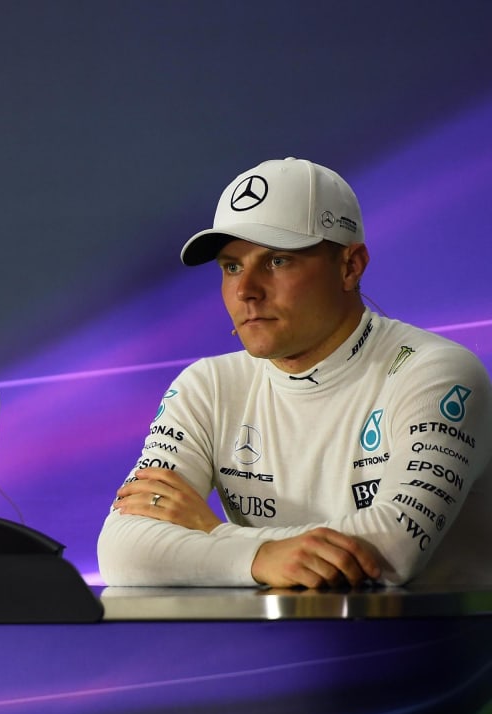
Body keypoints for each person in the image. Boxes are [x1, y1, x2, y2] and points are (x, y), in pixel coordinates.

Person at [97, 157, 491, 588]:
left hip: (444, 651)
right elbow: (120, 549)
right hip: (279, 648)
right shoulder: (206, 386)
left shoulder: (436, 372)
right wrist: (258, 555)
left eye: (278, 261)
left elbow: (393, 549)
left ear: (350, 266)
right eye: (232, 267)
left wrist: (214, 534)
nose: (246, 290)